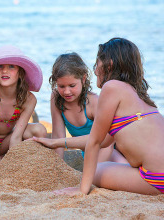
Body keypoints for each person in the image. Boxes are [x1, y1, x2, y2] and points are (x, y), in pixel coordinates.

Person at [54, 38, 164, 195]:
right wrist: (57, 143)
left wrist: (82, 189)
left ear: (109, 64)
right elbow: (106, 140)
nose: (95, 68)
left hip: (157, 178)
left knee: (96, 171)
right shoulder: (139, 95)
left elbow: (95, 141)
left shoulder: (111, 87)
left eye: (97, 62)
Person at [31, 52, 127, 163]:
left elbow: (108, 142)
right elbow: (58, 136)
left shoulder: (93, 102)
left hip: (112, 151)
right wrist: (57, 168)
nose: (66, 91)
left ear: (83, 78)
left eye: (72, 86)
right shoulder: (56, 97)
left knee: (121, 165)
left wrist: (94, 172)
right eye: (61, 86)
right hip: (88, 154)